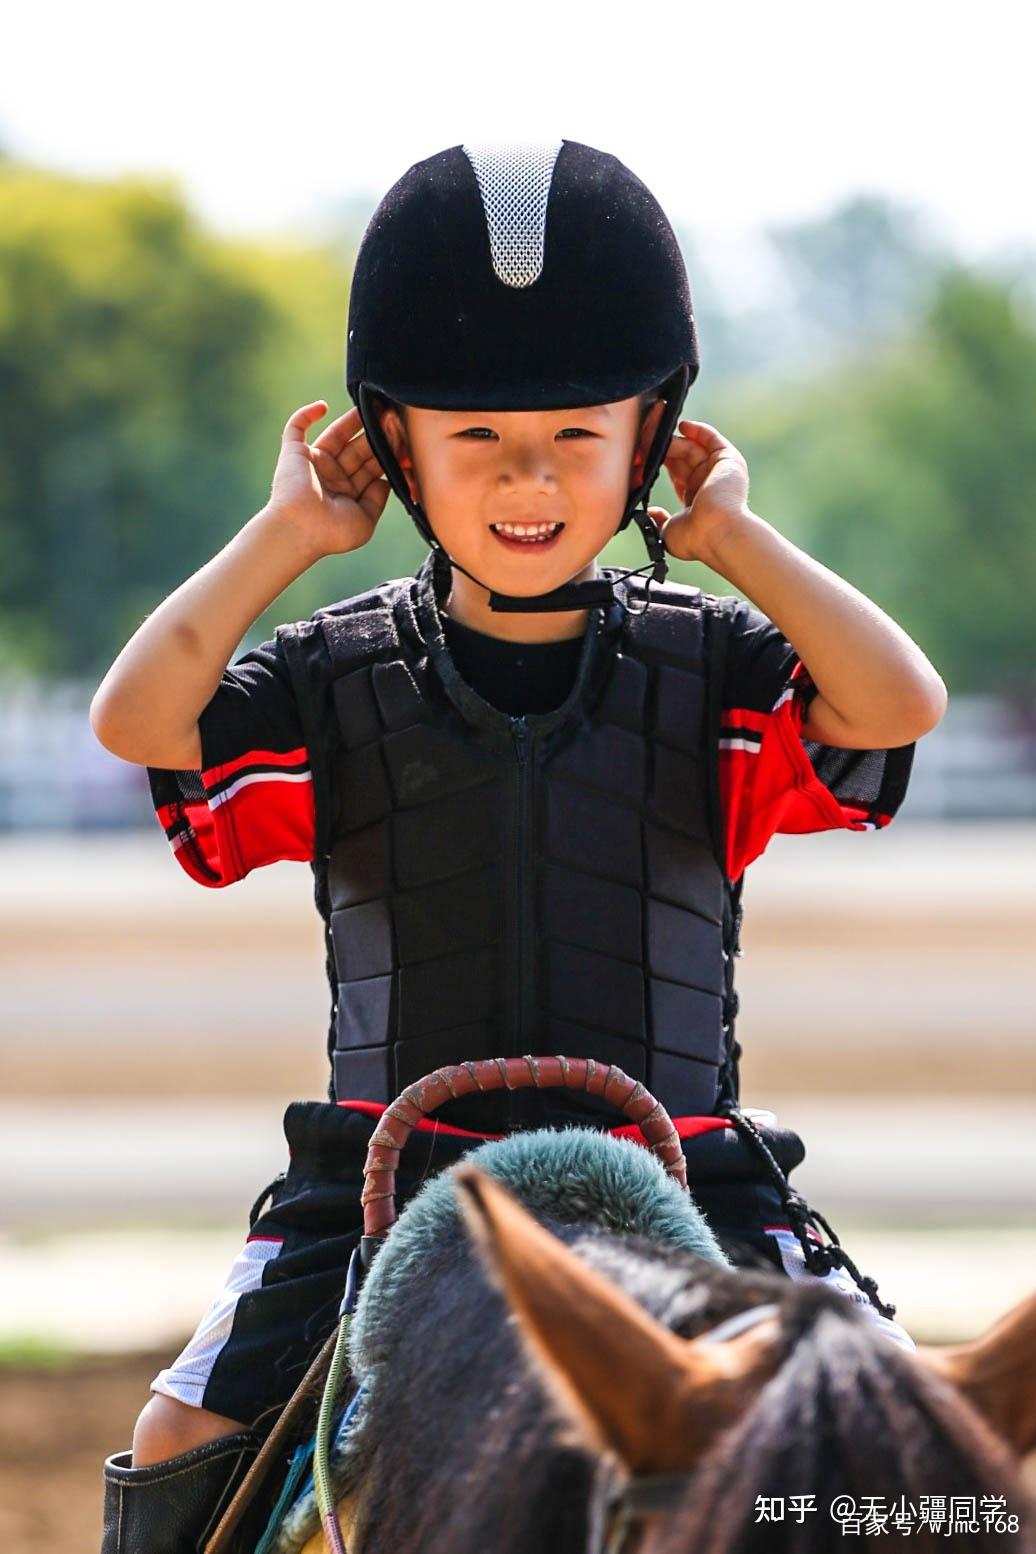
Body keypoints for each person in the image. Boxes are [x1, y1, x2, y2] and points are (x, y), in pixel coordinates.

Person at [89, 139, 945, 1552]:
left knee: (892, 1429)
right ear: (397, 446)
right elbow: (142, 718)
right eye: (476, 436)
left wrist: (736, 541)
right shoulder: (324, 679)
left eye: (576, 435)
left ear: (652, 438)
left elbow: (895, 700)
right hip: (383, 1173)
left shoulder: (719, 669)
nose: (526, 474)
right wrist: (287, 534)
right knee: (180, 1433)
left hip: (684, 1167)